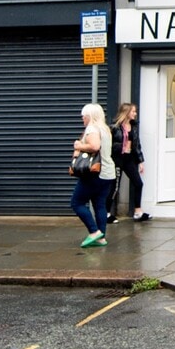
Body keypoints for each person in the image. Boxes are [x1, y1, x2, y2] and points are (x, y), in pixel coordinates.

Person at [70, 102, 115, 247]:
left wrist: (79, 146)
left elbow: (94, 146)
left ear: (89, 116)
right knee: (100, 205)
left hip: (94, 173)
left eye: (84, 116)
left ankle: (94, 231)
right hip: (108, 173)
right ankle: (101, 237)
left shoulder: (92, 128)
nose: (82, 119)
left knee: (76, 203)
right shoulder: (105, 129)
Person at [111, 102, 148, 222]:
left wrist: (140, 161)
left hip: (129, 158)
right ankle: (106, 213)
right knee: (114, 187)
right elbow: (109, 145)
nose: (135, 114)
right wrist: (120, 146)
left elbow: (137, 145)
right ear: (126, 112)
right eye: (133, 111)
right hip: (117, 159)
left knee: (138, 183)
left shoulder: (134, 126)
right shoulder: (115, 127)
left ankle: (138, 211)